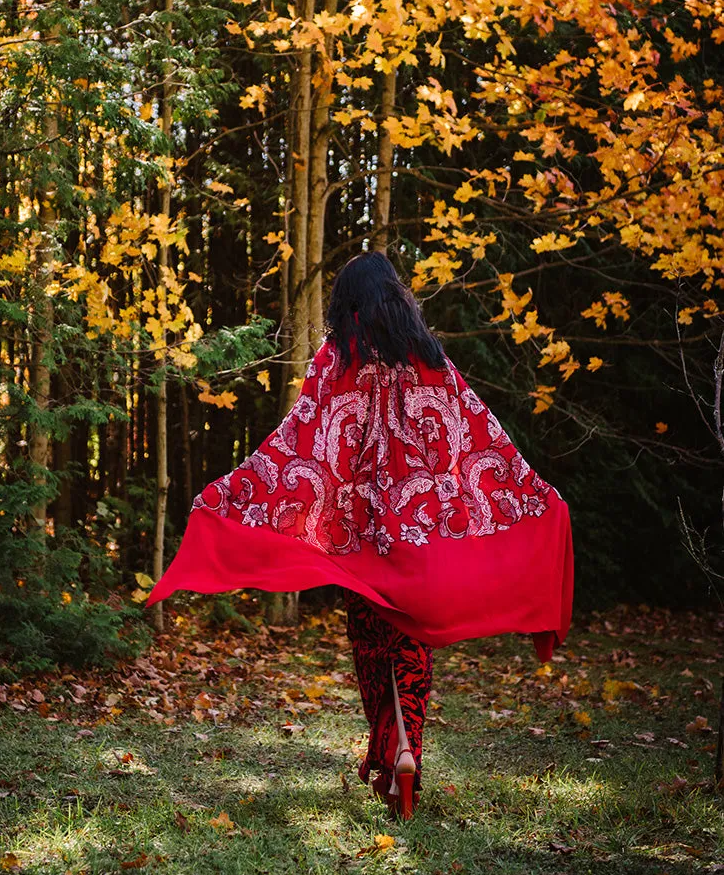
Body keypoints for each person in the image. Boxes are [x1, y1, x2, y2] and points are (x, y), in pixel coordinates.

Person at [148, 252, 573, 818]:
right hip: (422, 536)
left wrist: (230, 496)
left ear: (346, 302)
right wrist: (535, 496)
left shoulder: (336, 360)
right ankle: (408, 750)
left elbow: (296, 440)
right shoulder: (429, 358)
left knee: (372, 642)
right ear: (396, 297)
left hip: (361, 540)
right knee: (411, 642)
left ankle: (390, 744)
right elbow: (478, 435)